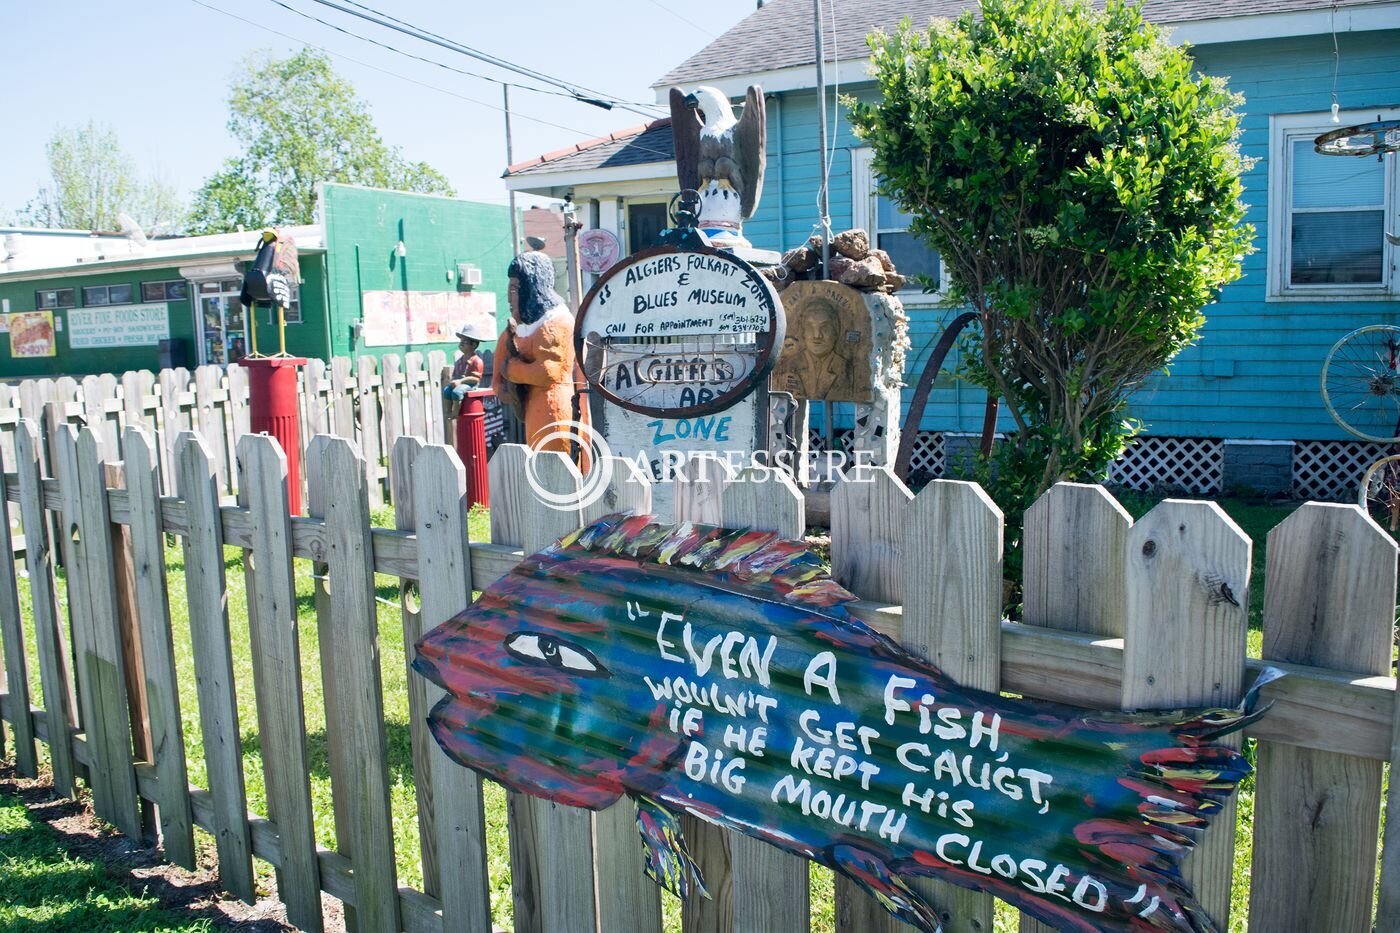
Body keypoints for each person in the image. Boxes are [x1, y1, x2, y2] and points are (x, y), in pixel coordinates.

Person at [492, 250, 591, 471]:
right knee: (540, 468)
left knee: (559, 470)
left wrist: (512, 369)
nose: (509, 297)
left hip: (557, 412)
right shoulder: (521, 329)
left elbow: (547, 373)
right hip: (533, 413)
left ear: (532, 289)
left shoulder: (557, 322)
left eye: (516, 289)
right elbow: (499, 379)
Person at [443, 322, 490, 405]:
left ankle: (455, 413)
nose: (461, 344)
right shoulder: (459, 361)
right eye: (461, 341)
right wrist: (453, 381)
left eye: (464, 342)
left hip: (471, 385)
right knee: (446, 391)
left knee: (457, 392)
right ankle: (448, 412)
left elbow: (476, 379)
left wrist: (461, 381)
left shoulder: (477, 361)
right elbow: (455, 375)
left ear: (474, 345)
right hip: (459, 383)